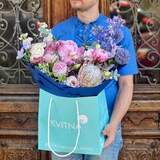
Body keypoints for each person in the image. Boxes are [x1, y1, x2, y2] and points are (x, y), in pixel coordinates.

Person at [51, 0, 138, 159]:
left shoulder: (119, 33)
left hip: (103, 127)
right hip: (65, 125)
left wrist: (113, 124)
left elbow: (126, 84)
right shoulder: (57, 33)